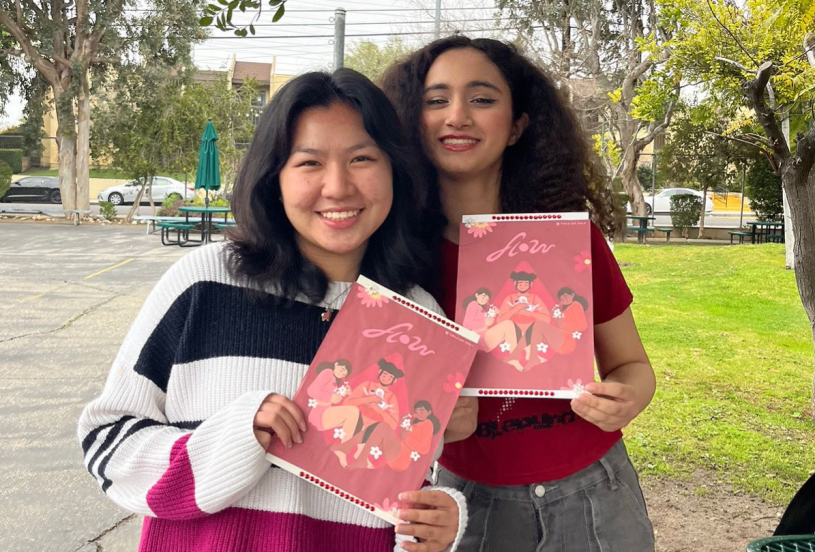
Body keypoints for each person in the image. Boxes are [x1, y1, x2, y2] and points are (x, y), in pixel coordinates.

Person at [78, 69, 469, 552]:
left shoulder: (417, 316)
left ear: (397, 172)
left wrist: (435, 525)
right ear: (274, 178)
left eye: (362, 158)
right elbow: (107, 442)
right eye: (309, 163)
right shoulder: (205, 283)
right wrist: (231, 440)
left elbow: (403, 490)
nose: (337, 187)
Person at [383, 36, 657, 551]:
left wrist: (628, 399)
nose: (457, 115)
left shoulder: (571, 245)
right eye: (436, 100)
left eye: (482, 98)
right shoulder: (394, 261)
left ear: (517, 126)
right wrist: (428, 423)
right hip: (467, 507)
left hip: (595, 496)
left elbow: (633, 367)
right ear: (410, 122)